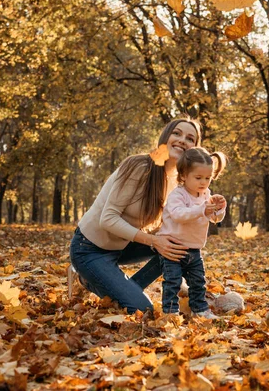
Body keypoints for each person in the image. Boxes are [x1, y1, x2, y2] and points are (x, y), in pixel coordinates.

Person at [68, 117, 203, 313]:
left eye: (190, 138)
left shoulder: (178, 184)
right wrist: (153, 241)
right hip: (89, 249)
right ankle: (87, 280)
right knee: (142, 309)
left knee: (178, 244)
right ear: (166, 137)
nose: (182, 140)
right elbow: (108, 219)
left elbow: (169, 227)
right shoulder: (140, 167)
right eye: (177, 133)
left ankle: (126, 289)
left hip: (121, 246)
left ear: (194, 149)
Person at [157, 147, 228, 319]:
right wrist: (202, 209)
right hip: (173, 247)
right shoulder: (178, 195)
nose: (203, 182)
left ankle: (200, 309)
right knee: (172, 282)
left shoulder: (206, 194)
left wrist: (220, 208)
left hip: (194, 249)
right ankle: (170, 312)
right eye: (198, 178)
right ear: (183, 176)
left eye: (207, 178)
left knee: (198, 282)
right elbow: (179, 215)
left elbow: (214, 218)